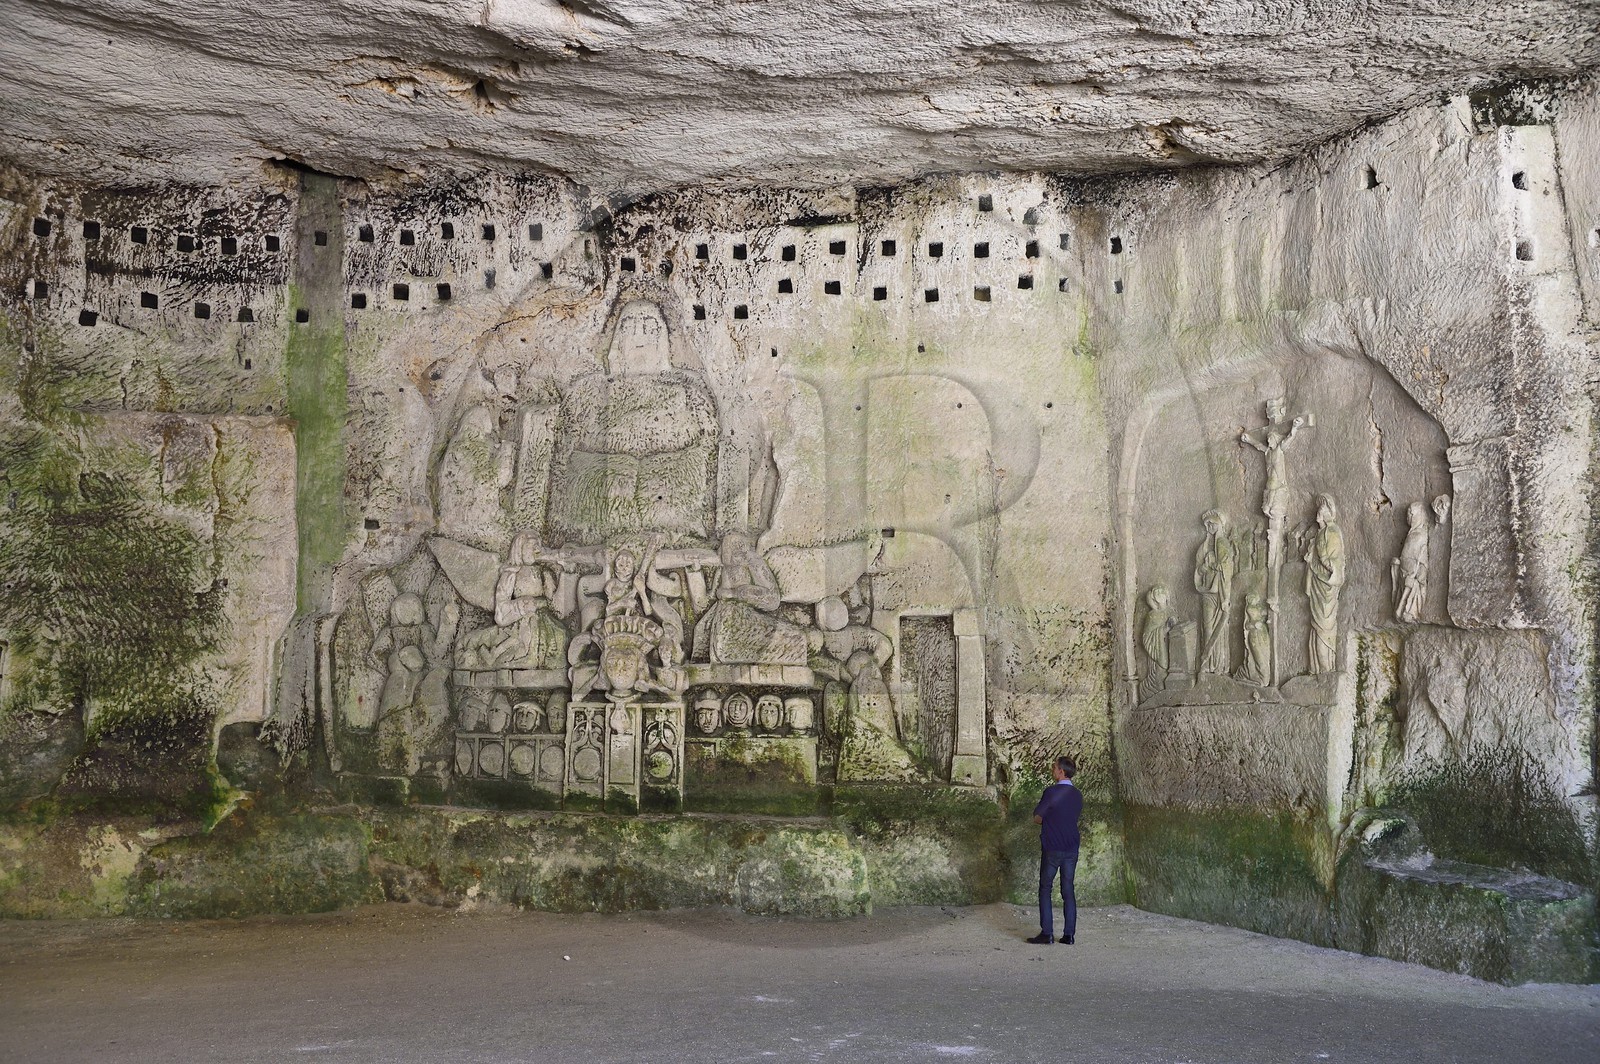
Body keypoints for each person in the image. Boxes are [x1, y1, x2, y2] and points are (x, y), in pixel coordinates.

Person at [1028, 756, 1083, 945]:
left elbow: (1037, 817)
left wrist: (1048, 820)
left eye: (1054, 768)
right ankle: (1069, 935)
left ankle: (1047, 933)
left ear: (1061, 771)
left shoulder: (1051, 792)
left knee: (1045, 888)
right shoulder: (1078, 795)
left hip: (1053, 847)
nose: (1053, 770)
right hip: (1071, 847)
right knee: (1068, 889)